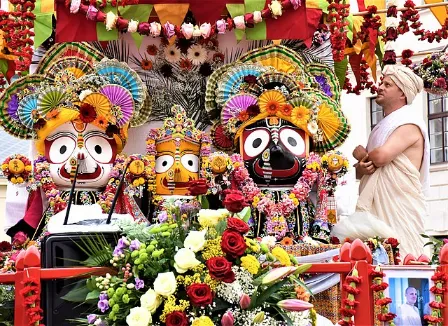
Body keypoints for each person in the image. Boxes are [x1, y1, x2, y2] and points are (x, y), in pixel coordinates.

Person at [353, 64, 429, 257]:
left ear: (402, 93)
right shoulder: (382, 126)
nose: (380, 87)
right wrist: (362, 164)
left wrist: (362, 154)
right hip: (378, 206)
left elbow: (381, 157)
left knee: (402, 254)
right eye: (382, 83)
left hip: (399, 204)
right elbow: (360, 171)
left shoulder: (409, 122)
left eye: (388, 84)